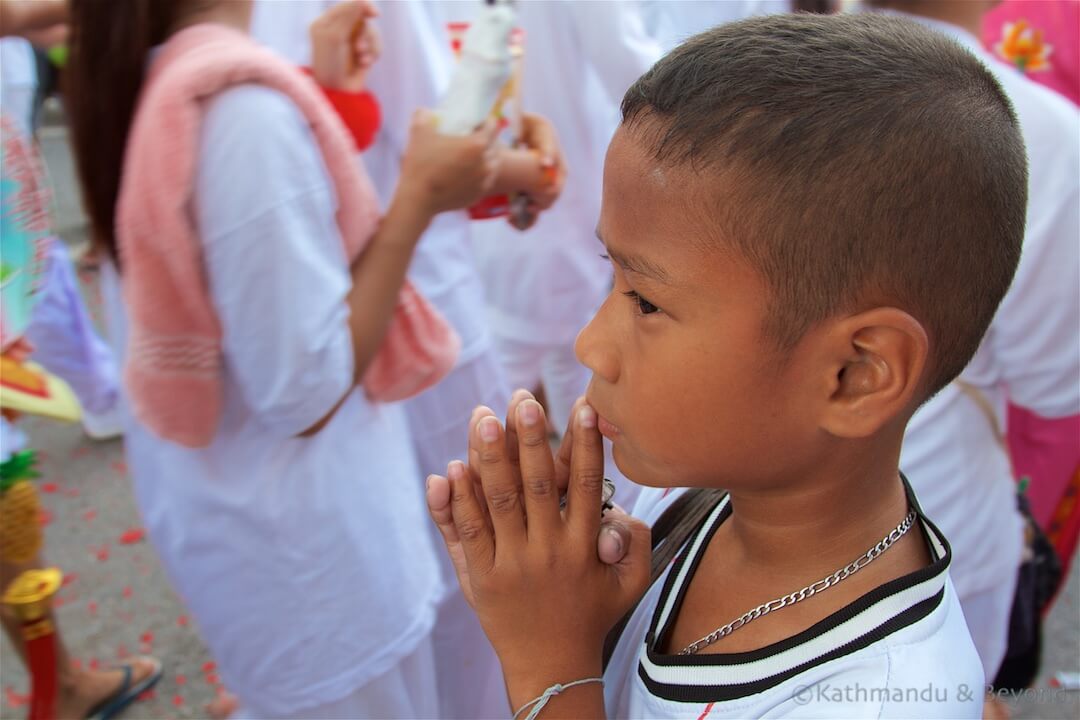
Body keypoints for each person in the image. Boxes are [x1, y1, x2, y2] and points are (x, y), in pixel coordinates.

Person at [427, 12, 1028, 719]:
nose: (591, 344)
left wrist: (549, 666)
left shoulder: (887, 700)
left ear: (856, 374)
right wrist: (566, 603)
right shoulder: (680, 501)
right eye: (610, 277)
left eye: (645, 302)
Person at [65, 0, 498, 717]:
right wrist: (417, 199)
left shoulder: (161, 77)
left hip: (257, 545)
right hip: (316, 565)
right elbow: (304, 390)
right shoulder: (241, 111)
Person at [868, 0, 1080, 693]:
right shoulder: (1038, 129)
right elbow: (1053, 386)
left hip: (724, 494)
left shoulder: (743, 76)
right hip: (933, 513)